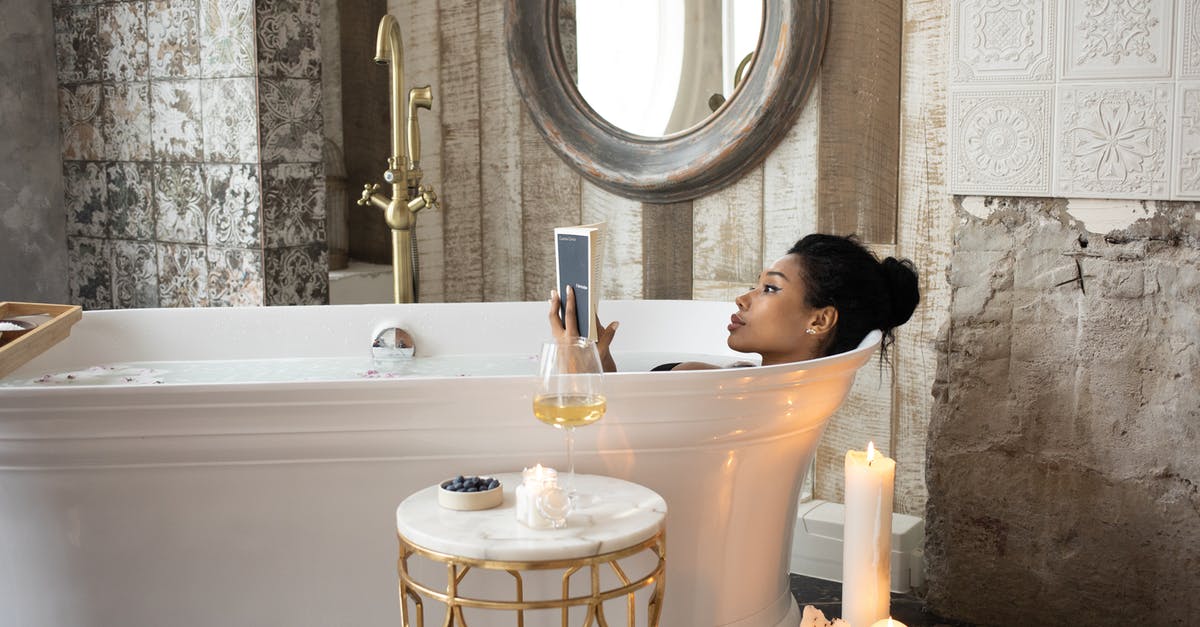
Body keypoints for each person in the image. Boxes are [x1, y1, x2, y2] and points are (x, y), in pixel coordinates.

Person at [548, 233, 920, 372]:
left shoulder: (714, 387)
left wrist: (575, 363)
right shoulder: (760, 394)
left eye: (769, 289)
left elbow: (606, 448)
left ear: (820, 320)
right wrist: (596, 358)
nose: (742, 299)